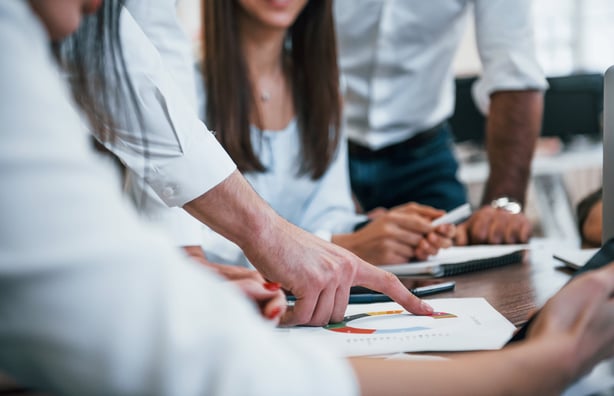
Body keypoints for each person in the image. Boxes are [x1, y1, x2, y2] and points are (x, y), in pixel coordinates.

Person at [3, 1, 614, 395]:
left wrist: (332, 237)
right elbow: (186, 358)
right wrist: (540, 367)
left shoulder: (314, 85)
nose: (112, 9)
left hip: (416, 152)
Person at [63, 0, 433, 326]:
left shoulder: (321, 88)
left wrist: (350, 240)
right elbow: (106, 47)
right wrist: (303, 242)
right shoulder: (189, 85)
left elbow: (145, 30)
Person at [167, 0, 456, 267]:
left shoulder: (322, 85)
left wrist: (377, 233)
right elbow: (184, 241)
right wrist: (343, 246)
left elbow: (327, 213)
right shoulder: (184, 88)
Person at [334, 1, 548, 246]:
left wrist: (501, 210)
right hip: (320, 146)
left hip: (424, 157)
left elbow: (514, 70)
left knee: (463, 266)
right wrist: (325, 190)